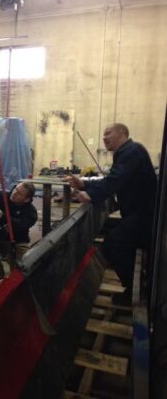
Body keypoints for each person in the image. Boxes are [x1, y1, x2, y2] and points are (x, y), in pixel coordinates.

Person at [64, 123, 157, 305]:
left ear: (122, 134)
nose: (104, 138)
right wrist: (84, 184)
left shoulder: (131, 151)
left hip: (144, 215)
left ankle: (134, 291)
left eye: (108, 134)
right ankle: (140, 283)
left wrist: (90, 195)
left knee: (114, 244)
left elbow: (115, 180)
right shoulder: (127, 153)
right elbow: (113, 179)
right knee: (119, 240)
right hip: (139, 214)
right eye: (103, 135)